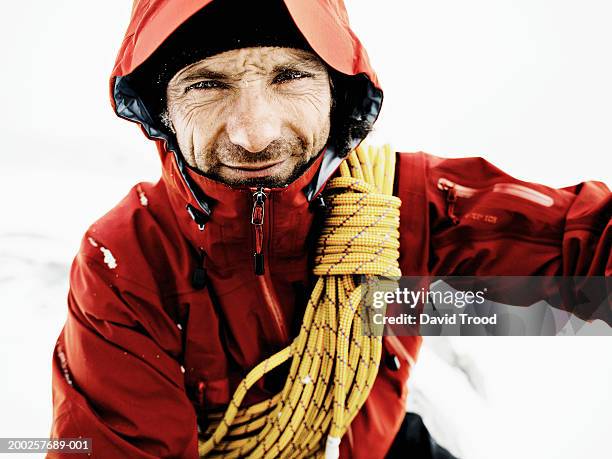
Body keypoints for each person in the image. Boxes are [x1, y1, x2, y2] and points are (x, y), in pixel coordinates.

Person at [48, 0, 611, 458]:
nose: (253, 133)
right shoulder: (125, 257)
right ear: (161, 112)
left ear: (339, 96)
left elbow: (585, 246)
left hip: (380, 447)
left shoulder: (400, 205)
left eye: (289, 75)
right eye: (207, 84)